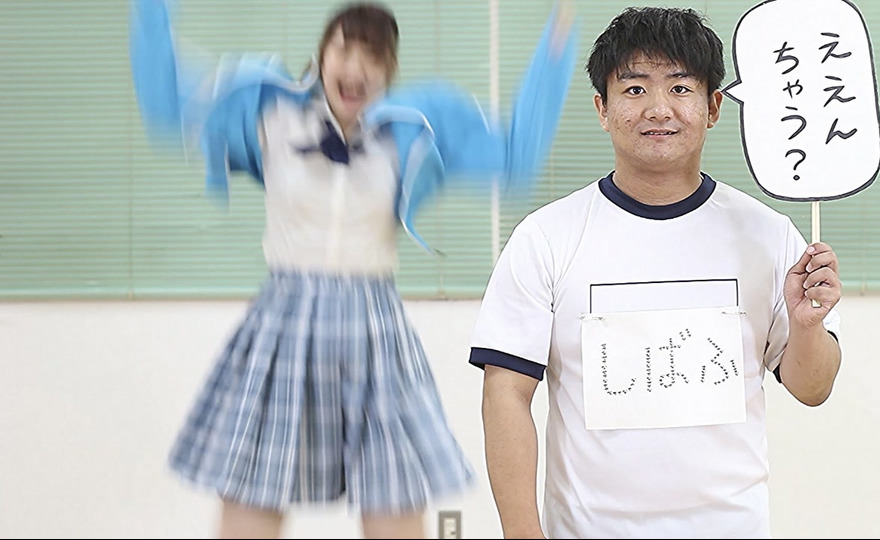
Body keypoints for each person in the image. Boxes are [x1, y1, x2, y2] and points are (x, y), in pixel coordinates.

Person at [128, 0, 577, 538]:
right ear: (322, 55)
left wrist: (560, 33)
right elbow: (166, 102)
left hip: (372, 324)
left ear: (389, 70)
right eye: (344, 49)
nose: (356, 66)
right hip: (283, 320)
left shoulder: (411, 130)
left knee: (394, 501)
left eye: (374, 55)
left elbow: (516, 154)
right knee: (250, 497)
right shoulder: (270, 111)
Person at [468, 6, 842, 539]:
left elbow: (813, 388)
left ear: (714, 107)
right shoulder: (546, 238)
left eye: (681, 88)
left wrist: (807, 326)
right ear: (602, 108)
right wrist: (522, 533)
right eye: (635, 89)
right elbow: (505, 393)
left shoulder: (770, 234)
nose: (659, 109)